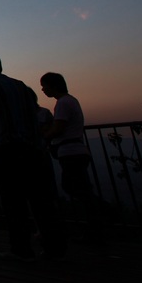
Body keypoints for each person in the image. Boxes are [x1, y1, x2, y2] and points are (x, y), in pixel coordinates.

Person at [0, 54, 66, 261]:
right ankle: (54, 247)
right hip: (32, 149)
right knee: (40, 200)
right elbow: (33, 116)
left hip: (7, 150)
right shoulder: (21, 86)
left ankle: (21, 249)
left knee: (13, 201)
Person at [40, 72, 104, 244]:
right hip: (75, 151)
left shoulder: (63, 103)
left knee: (76, 188)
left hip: (71, 152)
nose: (43, 89)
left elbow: (59, 128)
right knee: (79, 187)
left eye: (44, 86)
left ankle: (98, 222)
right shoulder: (70, 100)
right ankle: (96, 225)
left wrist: (45, 136)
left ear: (53, 85)